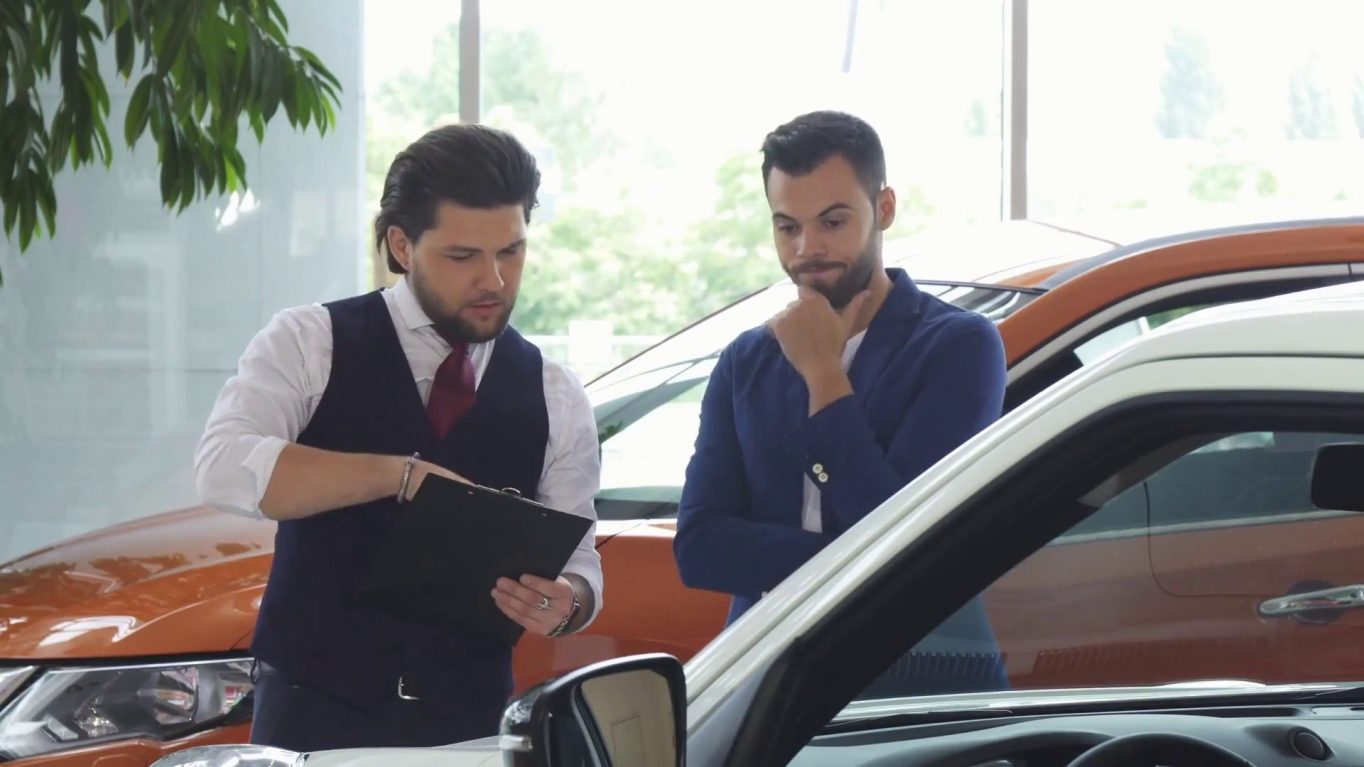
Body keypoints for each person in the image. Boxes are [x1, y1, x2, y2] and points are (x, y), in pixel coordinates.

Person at [194, 124, 603, 750]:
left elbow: (580, 558)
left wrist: (567, 602)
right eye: (463, 257)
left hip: (469, 727)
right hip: (312, 718)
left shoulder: (557, 392)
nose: (494, 280)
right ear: (402, 245)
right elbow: (223, 466)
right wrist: (399, 475)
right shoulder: (309, 342)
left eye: (511, 252)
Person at [674, 110, 1008, 695]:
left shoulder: (960, 347)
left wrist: (823, 373)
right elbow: (699, 548)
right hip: (768, 682)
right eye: (787, 227)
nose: (808, 248)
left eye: (832, 221)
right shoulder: (745, 360)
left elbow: (906, 543)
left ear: (884, 208)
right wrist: (847, 561)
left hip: (916, 682)